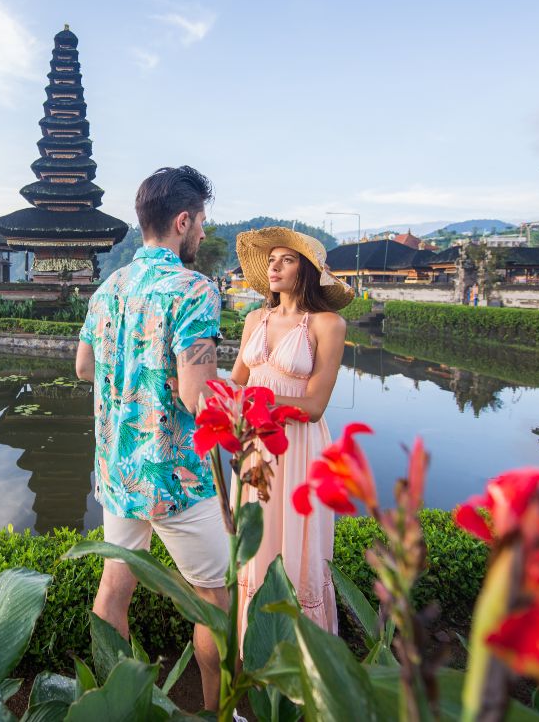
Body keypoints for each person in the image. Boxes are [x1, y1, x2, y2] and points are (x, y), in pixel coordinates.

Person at [76, 166, 229, 712]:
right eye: (203, 223)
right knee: (215, 601)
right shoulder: (194, 289)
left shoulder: (108, 287)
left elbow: (83, 368)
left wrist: (135, 374)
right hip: (175, 478)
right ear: (182, 221)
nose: (205, 235)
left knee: (114, 587)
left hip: (119, 472)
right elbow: (197, 398)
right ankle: (217, 712)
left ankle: (110, 706)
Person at [230, 227, 353, 634]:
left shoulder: (327, 324)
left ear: (308, 271)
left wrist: (262, 402)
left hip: (299, 446)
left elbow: (315, 407)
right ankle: (251, 652)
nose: (275, 267)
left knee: (296, 545)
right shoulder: (254, 319)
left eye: (287, 259)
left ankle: (301, 654)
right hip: (256, 445)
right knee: (254, 543)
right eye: (271, 260)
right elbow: (236, 384)